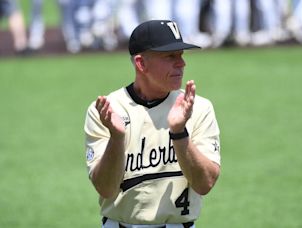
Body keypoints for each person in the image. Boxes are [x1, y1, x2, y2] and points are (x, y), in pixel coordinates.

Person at [84, 20, 221, 228]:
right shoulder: (107, 111)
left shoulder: (198, 108)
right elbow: (106, 189)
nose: (182, 63)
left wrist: (179, 132)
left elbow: (205, 184)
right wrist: (117, 138)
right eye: (170, 56)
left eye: (181, 55)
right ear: (141, 63)